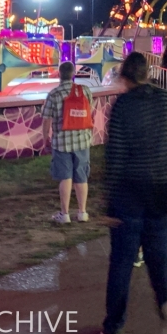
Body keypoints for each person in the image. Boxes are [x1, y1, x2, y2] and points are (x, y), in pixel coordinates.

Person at [102, 51, 167, 334]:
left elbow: (115, 155)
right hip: (166, 188)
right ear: (148, 73)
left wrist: (109, 201)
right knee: (159, 252)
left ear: (126, 77)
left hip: (131, 191)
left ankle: (113, 327)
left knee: (123, 260)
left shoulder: (122, 106)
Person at [42, 61, 94, 224]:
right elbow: (88, 111)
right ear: (73, 74)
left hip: (62, 142)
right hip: (82, 140)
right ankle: (82, 212)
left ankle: (64, 214)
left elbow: (46, 119)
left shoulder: (54, 94)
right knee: (81, 177)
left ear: (59, 74)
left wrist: (45, 138)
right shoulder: (85, 91)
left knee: (65, 178)